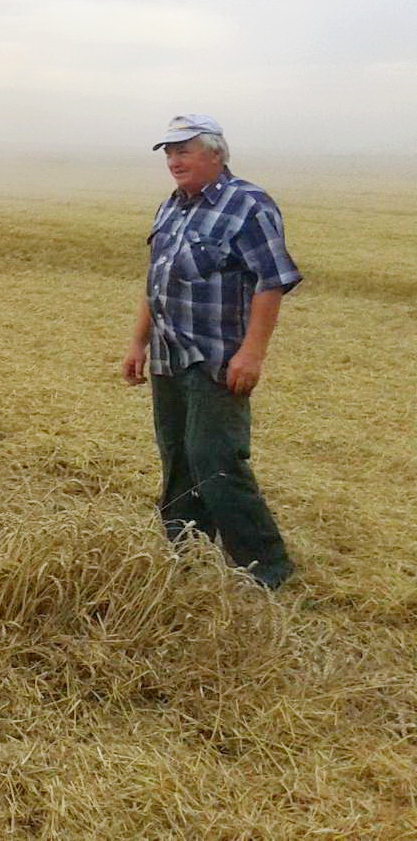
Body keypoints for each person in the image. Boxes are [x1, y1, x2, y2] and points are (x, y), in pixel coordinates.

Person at [120, 114, 301, 589]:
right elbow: (155, 279)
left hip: (218, 358)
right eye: (169, 153)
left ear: (215, 154)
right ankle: (186, 553)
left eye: (184, 151)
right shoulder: (172, 207)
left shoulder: (249, 205)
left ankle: (268, 572)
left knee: (216, 462)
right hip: (167, 355)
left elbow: (271, 281)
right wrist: (138, 342)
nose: (173, 161)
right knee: (177, 458)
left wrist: (252, 354)